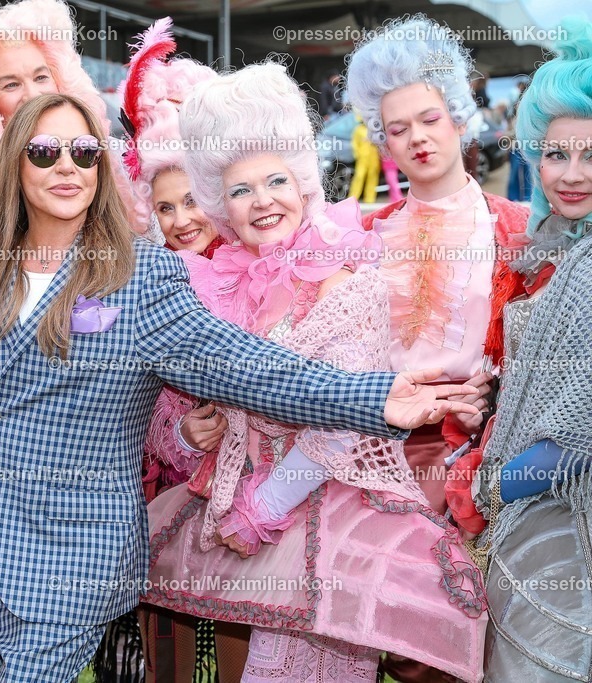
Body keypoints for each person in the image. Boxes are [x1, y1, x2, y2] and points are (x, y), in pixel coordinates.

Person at [0, 91, 481, 681]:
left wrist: (373, 399)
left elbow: (249, 368)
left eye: (84, 153)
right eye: (46, 152)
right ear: (15, 166)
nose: (67, 167)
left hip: (75, 562)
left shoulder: (141, 279)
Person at [141, 62, 487, 683]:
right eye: (241, 190)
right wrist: (193, 439)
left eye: (276, 181)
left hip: (329, 519)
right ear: (224, 205)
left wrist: (265, 503)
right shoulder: (221, 289)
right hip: (246, 530)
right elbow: (172, 422)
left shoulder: (342, 279)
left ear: (303, 187)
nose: (262, 201)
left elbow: (344, 420)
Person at [344, 16, 533, 516]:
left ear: (458, 116)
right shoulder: (364, 236)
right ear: (383, 141)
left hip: (478, 451)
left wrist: (492, 406)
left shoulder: (518, 229)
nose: (417, 139)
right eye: (398, 129)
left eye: (430, 119)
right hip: (371, 450)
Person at [107, 19, 243, 683]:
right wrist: (180, 433)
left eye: (193, 199)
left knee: (246, 640)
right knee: (175, 658)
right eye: (166, 207)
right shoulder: (146, 281)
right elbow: (134, 397)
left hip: (256, 510)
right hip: (169, 502)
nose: (183, 218)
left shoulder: (262, 269)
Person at [457, 18, 592, 681]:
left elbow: (574, 431)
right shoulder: (563, 252)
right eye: (556, 153)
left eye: (591, 154)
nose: (570, 174)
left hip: (568, 536)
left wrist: (488, 482)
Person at [0, 0, 141, 236]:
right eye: (11, 84)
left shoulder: (118, 158)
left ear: (62, 80)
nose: (32, 95)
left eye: (41, 78)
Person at [506, 77, 533, 201]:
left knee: (524, 173)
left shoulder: (528, 105)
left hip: (525, 144)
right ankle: (519, 199)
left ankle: (523, 198)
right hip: (519, 144)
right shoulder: (519, 105)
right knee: (520, 173)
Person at [348, 113, 379, 204]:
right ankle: (353, 198)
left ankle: (370, 199)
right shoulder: (358, 130)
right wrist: (357, 154)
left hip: (374, 157)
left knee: (372, 177)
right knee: (359, 176)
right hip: (363, 158)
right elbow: (354, 144)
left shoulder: (374, 130)